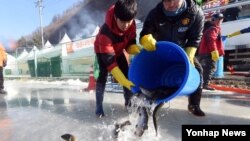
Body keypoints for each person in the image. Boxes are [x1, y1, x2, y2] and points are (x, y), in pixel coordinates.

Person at [139, 0, 205, 116]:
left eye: (174, 0)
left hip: (182, 51)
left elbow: (195, 38)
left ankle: (194, 105)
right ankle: (148, 103)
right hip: (160, 52)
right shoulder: (155, 14)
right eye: (167, 1)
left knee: (198, 70)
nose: (170, 4)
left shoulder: (195, 13)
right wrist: (145, 38)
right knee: (151, 74)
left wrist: (189, 55)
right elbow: (145, 32)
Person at [94, 0, 140, 117]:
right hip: (102, 52)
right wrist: (121, 80)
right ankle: (99, 106)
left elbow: (130, 42)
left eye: (129, 21)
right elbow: (111, 63)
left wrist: (134, 48)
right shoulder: (106, 32)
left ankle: (128, 102)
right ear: (115, 17)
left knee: (127, 74)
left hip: (119, 51)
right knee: (103, 75)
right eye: (122, 22)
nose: (126, 25)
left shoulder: (132, 24)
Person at [198, 13, 225, 90]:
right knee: (210, 68)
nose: (220, 21)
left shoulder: (210, 27)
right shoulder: (213, 29)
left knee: (203, 68)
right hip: (208, 52)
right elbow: (211, 40)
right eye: (219, 20)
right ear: (214, 20)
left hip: (204, 52)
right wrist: (214, 51)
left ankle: (201, 83)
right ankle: (205, 84)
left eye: (221, 20)